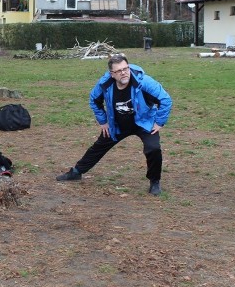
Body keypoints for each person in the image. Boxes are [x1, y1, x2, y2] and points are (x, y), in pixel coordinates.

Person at [56, 53, 172, 196]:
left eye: (125, 69)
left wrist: (159, 122)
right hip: (118, 124)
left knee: (153, 148)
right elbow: (94, 100)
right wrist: (103, 121)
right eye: (119, 71)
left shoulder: (144, 82)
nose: (123, 73)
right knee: (99, 146)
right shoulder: (105, 84)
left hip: (144, 122)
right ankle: (77, 172)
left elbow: (165, 99)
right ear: (112, 74)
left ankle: (154, 182)